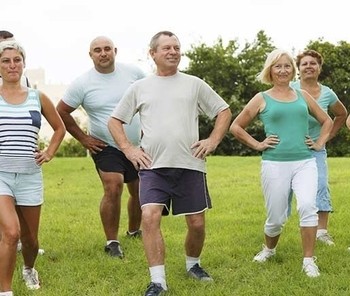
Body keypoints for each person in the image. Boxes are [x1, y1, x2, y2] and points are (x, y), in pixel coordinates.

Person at [108, 30, 232, 295]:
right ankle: (158, 281)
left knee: (197, 224)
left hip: (190, 164)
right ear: (152, 53)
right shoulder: (140, 87)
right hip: (153, 166)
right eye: (166, 48)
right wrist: (129, 149)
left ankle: (193, 265)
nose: (173, 52)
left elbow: (223, 111)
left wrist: (212, 140)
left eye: (176, 47)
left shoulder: (194, 84)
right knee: (150, 217)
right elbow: (115, 121)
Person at [230, 49, 333, 278]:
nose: (283, 70)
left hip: (305, 162)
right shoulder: (261, 98)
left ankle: (308, 260)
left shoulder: (303, 96)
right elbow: (236, 127)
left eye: (287, 66)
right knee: (276, 218)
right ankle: (269, 248)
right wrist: (258, 144)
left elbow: (327, 121)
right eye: (278, 66)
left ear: (292, 70)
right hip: (274, 164)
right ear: (270, 70)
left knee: (308, 206)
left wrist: (318, 143)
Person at [56, 36, 144, 259]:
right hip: (106, 145)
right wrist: (84, 139)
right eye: (97, 50)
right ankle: (112, 242)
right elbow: (61, 111)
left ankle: (134, 231)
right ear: (91, 55)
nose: (103, 53)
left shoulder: (134, 74)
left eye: (107, 49)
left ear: (115, 51)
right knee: (113, 186)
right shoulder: (82, 83)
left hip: (137, 145)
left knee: (139, 189)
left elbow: (152, 96)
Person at [0, 40, 65, 295]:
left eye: (17, 60)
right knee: (10, 232)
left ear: (23, 64)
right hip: (1, 175)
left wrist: (49, 152)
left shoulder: (38, 97)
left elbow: (60, 128)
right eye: (6, 61)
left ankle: (28, 268)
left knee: (29, 240)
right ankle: (5, 291)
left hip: (30, 176)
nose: (12, 65)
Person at [290, 49, 347, 246]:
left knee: (321, 185)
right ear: (298, 69)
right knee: (284, 191)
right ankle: (275, 228)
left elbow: (341, 115)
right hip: (289, 149)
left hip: (315, 149)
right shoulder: (290, 89)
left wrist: (325, 138)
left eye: (313, 63)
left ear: (319, 68)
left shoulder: (327, 93)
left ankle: (321, 232)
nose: (308, 67)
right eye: (304, 63)